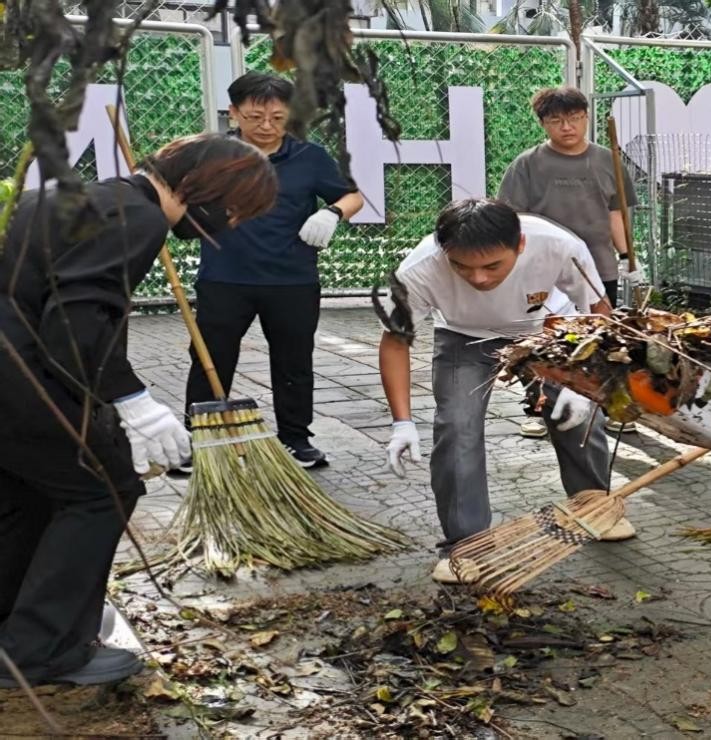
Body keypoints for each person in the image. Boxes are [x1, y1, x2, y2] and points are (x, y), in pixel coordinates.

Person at [0, 134, 277, 688]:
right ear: (205, 189)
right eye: (233, 210)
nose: (230, 224)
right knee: (102, 490)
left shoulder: (84, 196)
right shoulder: (136, 217)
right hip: (20, 376)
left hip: (12, 372)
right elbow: (74, 324)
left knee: (29, 494)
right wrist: (133, 402)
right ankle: (40, 652)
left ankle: (22, 626)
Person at [377, 198, 637, 584]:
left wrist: (589, 382)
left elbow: (598, 310)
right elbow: (395, 341)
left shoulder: (559, 245)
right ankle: (466, 543)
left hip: (549, 330)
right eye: (462, 266)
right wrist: (402, 422)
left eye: (492, 266)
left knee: (577, 417)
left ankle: (593, 504)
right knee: (457, 427)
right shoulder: (418, 269)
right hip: (463, 336)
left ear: (520, 245)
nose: (478, 279)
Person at [178, 72, 364, 472]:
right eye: (254, 116)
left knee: (293, 360)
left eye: (278, 118)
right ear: (233, 112)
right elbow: (176, 197)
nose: (266, 126)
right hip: (224, 277)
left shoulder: (310, 157)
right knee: (210, 357)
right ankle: (199, 438)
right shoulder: (211, 156)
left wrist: (332, 213)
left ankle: (295, 439)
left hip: (292, 278)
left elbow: (353, 196)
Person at [497, 86, 640, 437]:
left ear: (587, 117)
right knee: (541, 340)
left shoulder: (609, 161)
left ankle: (609, 408)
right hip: (544, 272)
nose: (567, 127)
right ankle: (538, 407)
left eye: (575, 118)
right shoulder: (527, 165)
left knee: (604, 339)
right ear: (543, 123)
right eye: (556, 120)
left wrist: (628, 258)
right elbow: (514, 221)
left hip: (599, 268)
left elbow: (617, 216)